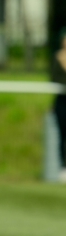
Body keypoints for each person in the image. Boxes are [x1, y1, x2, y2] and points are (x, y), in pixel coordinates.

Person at [52, 29, 66, 183]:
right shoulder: (57, 57)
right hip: (62, 101)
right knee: (62, 135)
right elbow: (55, 78)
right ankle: (63, 167)